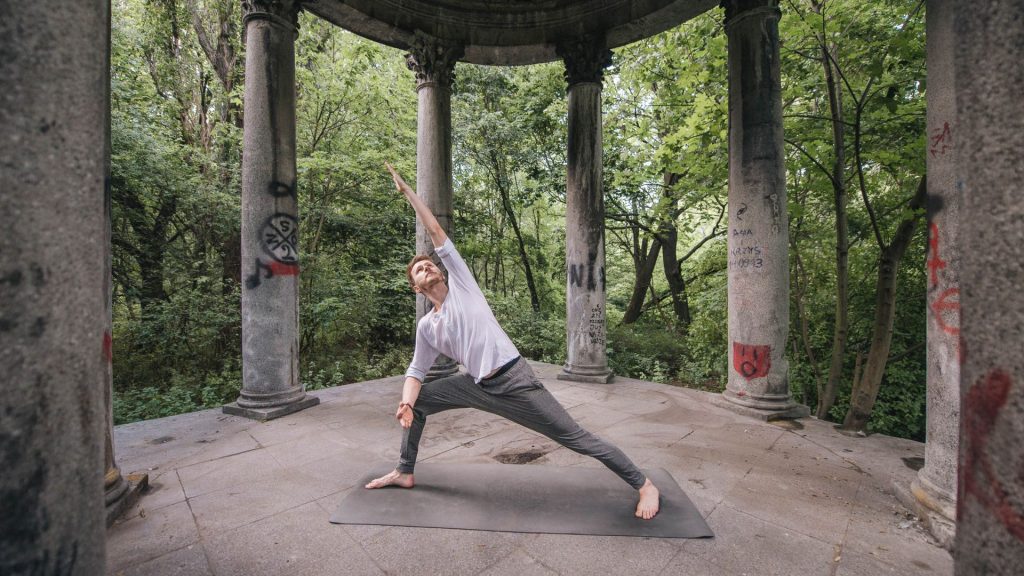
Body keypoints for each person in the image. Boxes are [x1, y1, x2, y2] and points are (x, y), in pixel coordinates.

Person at [365, 163, 660, 520]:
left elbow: (435, 230)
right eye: (418, 270)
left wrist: (408, 192)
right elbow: (416, 370)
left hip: (513, 379)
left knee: (575, 437)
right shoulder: (428, 326)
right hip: (476, 385)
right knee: (420, 402)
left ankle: (643, 484)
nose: (426, 267)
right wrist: (406, 403)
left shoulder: (463, 286)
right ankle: (405, 470)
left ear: (440, 271)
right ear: (416, 287)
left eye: (429, 264)